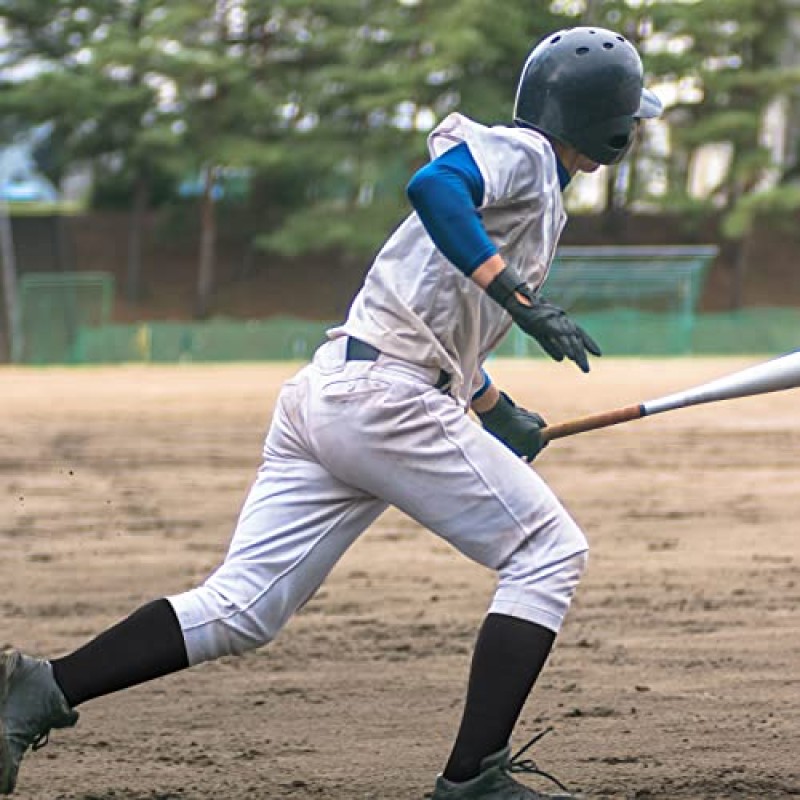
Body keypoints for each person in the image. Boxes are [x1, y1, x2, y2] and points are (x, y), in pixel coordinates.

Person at [0, 26, 662, 800]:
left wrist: (495, 407)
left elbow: (434, 316)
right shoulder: (523, 156)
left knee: (242, 608)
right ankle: (472, 781)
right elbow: (433, 187)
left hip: (341, 392)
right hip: (385, 401)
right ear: (609, 129)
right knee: (549, 553)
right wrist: (515, 293)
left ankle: (40, 689)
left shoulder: (538, 194)